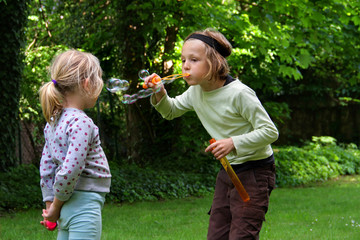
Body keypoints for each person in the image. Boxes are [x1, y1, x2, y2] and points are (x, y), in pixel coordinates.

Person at [144, 29, 279, 239]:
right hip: (228, 171)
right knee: (217, 235)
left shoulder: (239, 93)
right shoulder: (195, 92)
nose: (185, 65)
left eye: (194, 60)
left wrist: (233, 143)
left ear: (214, 62)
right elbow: (170, 111)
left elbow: (270, 132)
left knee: (242, 235)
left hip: (255, 172)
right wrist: (160, 91)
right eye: (183, 60)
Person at [38, 49, 111, 240]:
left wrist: (50, 208)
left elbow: (46, 168)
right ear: (87, 84)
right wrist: (55, 207)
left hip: (64, 205)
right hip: (83, 205)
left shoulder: (53, 122)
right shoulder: (82, 123)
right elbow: (71, 170)